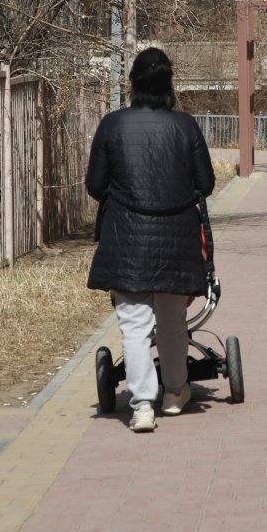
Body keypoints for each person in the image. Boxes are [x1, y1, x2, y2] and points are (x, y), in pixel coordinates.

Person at [86, 47, 215, 433]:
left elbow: (95, 185)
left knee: (134, 324)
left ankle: (142, 405)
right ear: (169, 83)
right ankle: (176, 393)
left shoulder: (112, 125)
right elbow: (205, 184)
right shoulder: (186, 126)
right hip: (177, 238)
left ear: (133, 84)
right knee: (173, 321)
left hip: (127, 239)